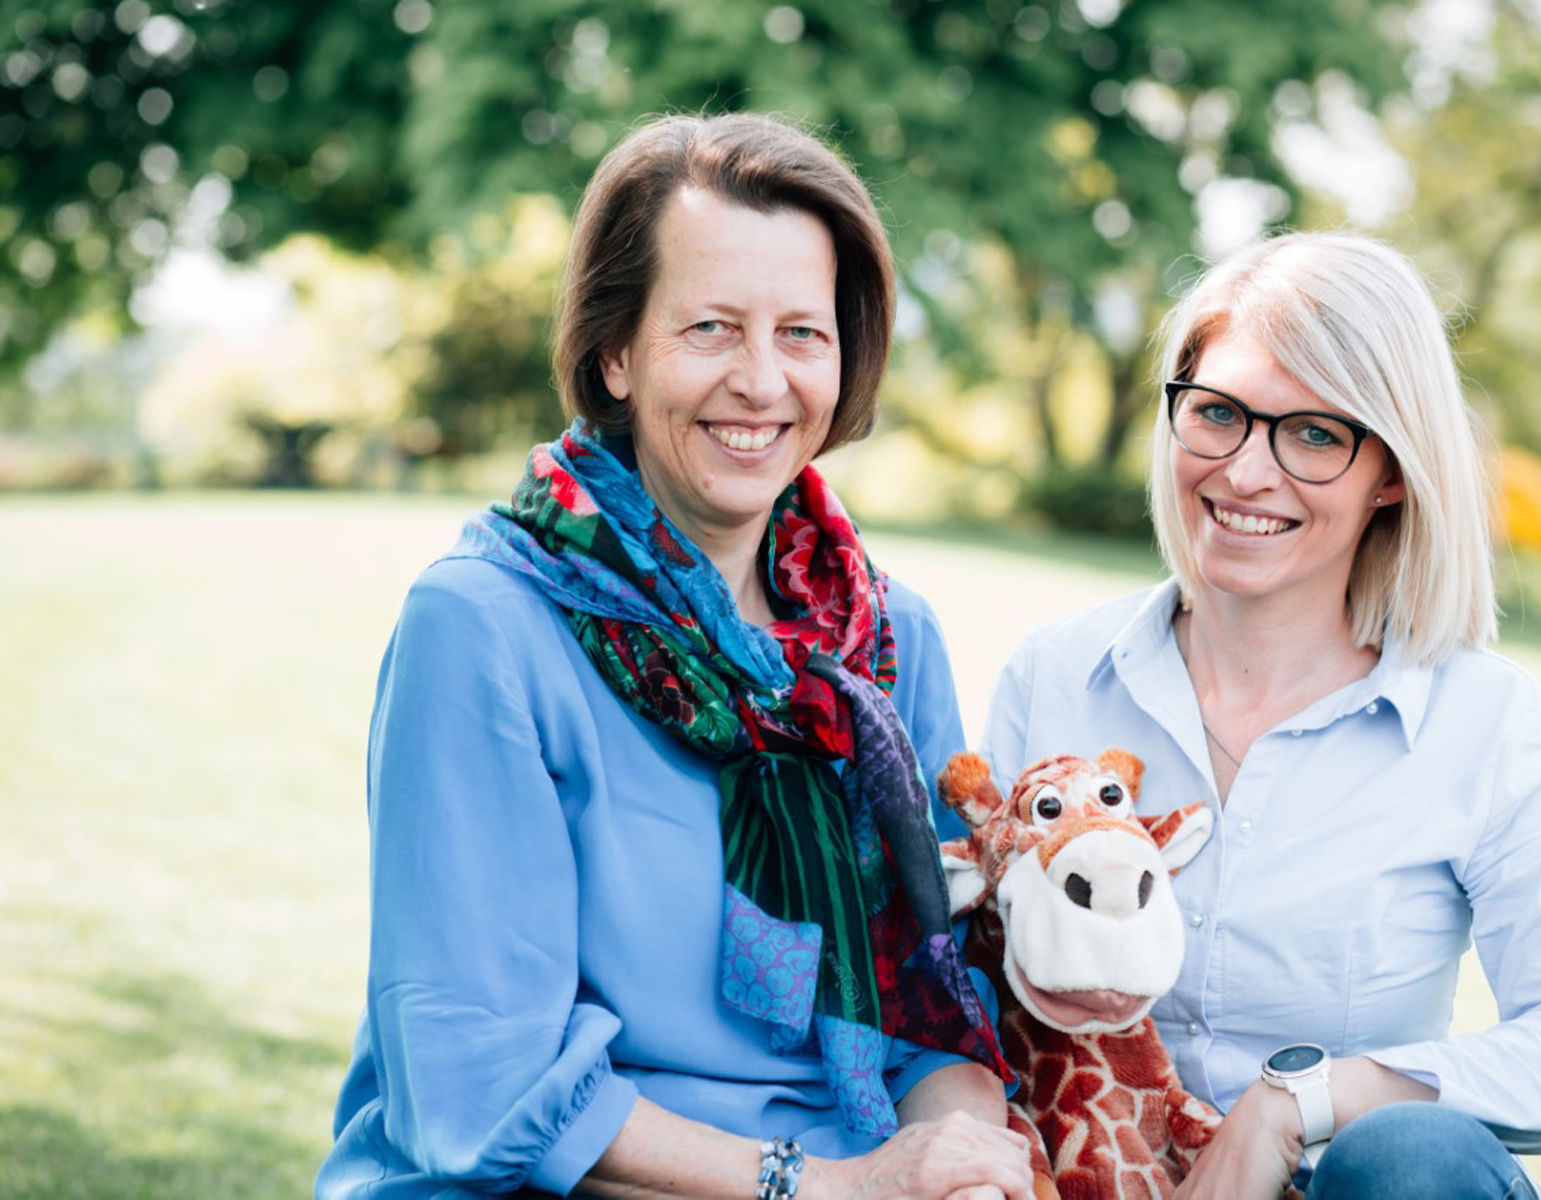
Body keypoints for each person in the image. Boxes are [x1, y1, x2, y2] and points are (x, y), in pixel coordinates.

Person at [317, 113, 1032, 1200]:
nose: (761, 380)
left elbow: (940, 1018)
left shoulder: (889, 645)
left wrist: (960, 1164)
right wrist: (828, 1188)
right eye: (711, 328)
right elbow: (483, 1078)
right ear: (614, 353)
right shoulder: (483, 628)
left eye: (803, 333)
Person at [980, 231, 1541, 1199]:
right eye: (1217, 413)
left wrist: (1297, 1103)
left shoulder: (1490, 726)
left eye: (1314, 434)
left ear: (1390, 471)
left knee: (1412, 1158)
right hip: (1095, 1175)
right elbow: (955, 991)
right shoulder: (1056, 677)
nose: (1245, 473)